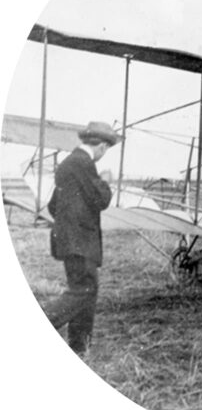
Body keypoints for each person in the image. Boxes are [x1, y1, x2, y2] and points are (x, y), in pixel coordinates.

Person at [43, 121, 120, 355]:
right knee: (83, 290)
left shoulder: (69, 164)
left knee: (87, 290)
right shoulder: (83, 163)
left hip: (70, 240)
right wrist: (106, 183)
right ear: (102, 147)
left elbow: (53, 205)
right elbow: (101, 200)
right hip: (81, 241)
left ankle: (79, 347)